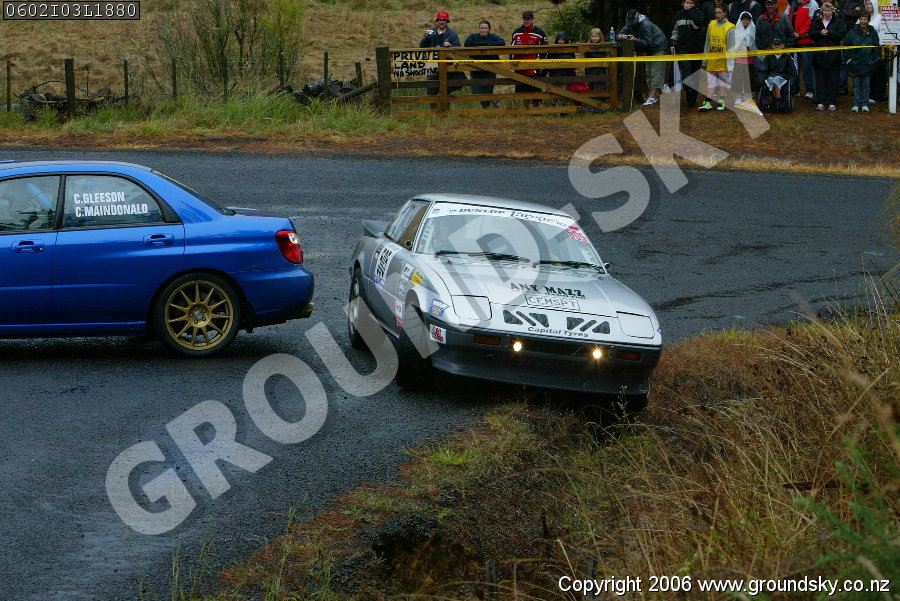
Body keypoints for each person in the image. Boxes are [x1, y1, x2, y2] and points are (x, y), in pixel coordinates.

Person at [618, 9, 669, 105]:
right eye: (629, 21)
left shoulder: (646, 24)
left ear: (637, 19)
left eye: (632, 21)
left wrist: (635, 39)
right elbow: (619, 34)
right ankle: (654, 95)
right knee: (648, 73)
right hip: (648, 50)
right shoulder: (629, 23)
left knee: (655, 73)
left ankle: (652, 97)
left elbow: (648, 42)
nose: (630, 23)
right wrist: (622, 36)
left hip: (658, 47)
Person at [420, 11, 465, 100]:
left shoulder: (452, 33)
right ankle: (433, 108)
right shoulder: (431, 32)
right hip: (433, 65)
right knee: (431, 90)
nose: (441, 22)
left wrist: (450, 46)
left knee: (447, 90)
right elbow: (422, 47)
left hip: (448, 66)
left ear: (447, 21)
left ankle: (445, 107)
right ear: (437, 21)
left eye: (444, 20)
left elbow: (457, 48)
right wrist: (424, 38)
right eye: (440, 20)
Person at [670, 0, 707, 107]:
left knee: (695, 74)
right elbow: (674, 30)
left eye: (691, 3)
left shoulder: (698, 13)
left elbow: (699, 24)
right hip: (682, 48)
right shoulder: (678, 14)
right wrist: (672, 43)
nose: (689, 5)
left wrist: (690, 12)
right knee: (686, 71)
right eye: (687, 2)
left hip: (696, 48)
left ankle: (692, 99)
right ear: (683, 3)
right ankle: (687, 88)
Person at [700, 5, 736, 110]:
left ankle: (721, 101)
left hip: (724, 61)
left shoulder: (730, 27)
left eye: (720, 12)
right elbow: (707, 42)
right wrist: (704, 60)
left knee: (723, 82)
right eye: (716, 13)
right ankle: (708, 102)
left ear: (725, 13)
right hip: (712, 60)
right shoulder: (711, 24)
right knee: (710, 82)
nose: (718, 15)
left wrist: (730, 64)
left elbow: (731, 47)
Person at [810, 2, 846, 109]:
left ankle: (832, 101)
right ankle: (820, 101)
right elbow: (811, 34)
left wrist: (829, 32)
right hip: (819, 55)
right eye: (825, 10)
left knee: (833, 79)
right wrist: (819, 33)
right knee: (820, 79)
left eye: (829, 10)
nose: (827, 12)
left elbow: (841, 35)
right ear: (822, 12)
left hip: (833, 56)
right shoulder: (816, 22)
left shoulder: (838, 22)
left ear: (832, 12)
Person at [843, 10, 880, 111]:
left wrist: (875, 60)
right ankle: (856, 104)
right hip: (855, 63)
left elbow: (876, 47)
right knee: (857, 85)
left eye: (865, 19)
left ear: (868, 20)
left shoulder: (873, 32)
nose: (863, 21)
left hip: (868, 63)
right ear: (859, 20)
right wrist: (848, 60)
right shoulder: (853, 31)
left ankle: (864, 104)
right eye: (861, 19)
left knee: (866, 85)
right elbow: (845, 45)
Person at [464, 20, 505, 108]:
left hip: (490, 68)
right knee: (476, 90)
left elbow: (502, 43)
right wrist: (486, 45)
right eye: (481, 28)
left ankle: (485, 109)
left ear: (489, 29)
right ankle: (493, 100)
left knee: (488, 88)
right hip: (475, 68)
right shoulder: (473, 37)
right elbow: (467, 43)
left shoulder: (493, 37)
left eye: (485, 28)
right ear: (479, 29)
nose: (483, 30)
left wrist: (482, 45)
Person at [511, 10, 548, 108]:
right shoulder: (516, 32)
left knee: (535, 91)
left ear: (532, 20)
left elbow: (545, 51)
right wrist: (513, 64)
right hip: (519, 68)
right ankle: (526, 110)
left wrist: (539, 65)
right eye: (524, 19)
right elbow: (511, 50)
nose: (526, 21)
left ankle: (536, 111)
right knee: (522, 92)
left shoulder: (540, 32)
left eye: (528, 19)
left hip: (534, 69)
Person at [760, 36, 798, 106]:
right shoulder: (768, 56)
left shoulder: (787, 57)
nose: (777, 46)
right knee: (772, 79)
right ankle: (776, 99)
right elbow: (763, 69)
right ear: (772, 46)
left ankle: (778, 99)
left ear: (782, 46)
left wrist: (792, 82)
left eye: (778, 45)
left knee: (776, 79)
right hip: (770, 76)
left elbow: (793, 70)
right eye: (775, 45)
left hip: (784, 77)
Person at [792, 0, 818, 98]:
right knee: (795, 66)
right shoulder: (794, 3)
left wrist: (800, 33)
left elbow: (811, 21)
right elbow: (791, 18)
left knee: (807, 66)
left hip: (806, 41)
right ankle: (796, 89)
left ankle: (809, 89)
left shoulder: (812, 3)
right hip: (795, 40)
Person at [733, 11, 758, 101]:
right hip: (739, 56)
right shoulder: (737, 29)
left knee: (750, 75)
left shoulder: (753, 29)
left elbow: (754, 42)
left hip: (750, 56)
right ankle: (738, 94)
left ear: (750, 20)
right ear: (741, 20)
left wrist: (748, 46)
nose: (745, 20)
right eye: (744, 19)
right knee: (739, 75)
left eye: (747, 19)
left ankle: (749, 94)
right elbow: (735, 42)